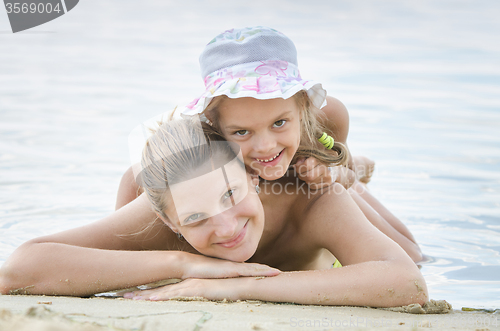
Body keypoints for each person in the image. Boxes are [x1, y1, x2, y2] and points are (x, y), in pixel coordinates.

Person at [0, 117, 428, 307]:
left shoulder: (313, 201)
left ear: (253, 176)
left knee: (414, 248)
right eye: (194, 219)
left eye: (230, 195)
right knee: (135, 179)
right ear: (168, 221)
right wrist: (183, 263)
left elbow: (408, 280)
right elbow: (18, 271)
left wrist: (235, 288)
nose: (227, 228)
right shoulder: (156, 213)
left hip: (309, 181)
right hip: (162, 185)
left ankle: (352, 165)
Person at [117, 26, 422, 262]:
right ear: (214, 122)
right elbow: (135, 181)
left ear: (302, 106)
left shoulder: (329, 116)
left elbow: (334, 162)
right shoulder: (205, 145)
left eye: (279, 123)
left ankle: (360, 169)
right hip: (298, 166)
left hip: (319, 169)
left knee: (403, 246)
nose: (264, 146)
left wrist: (337, 174)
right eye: (241, 132)